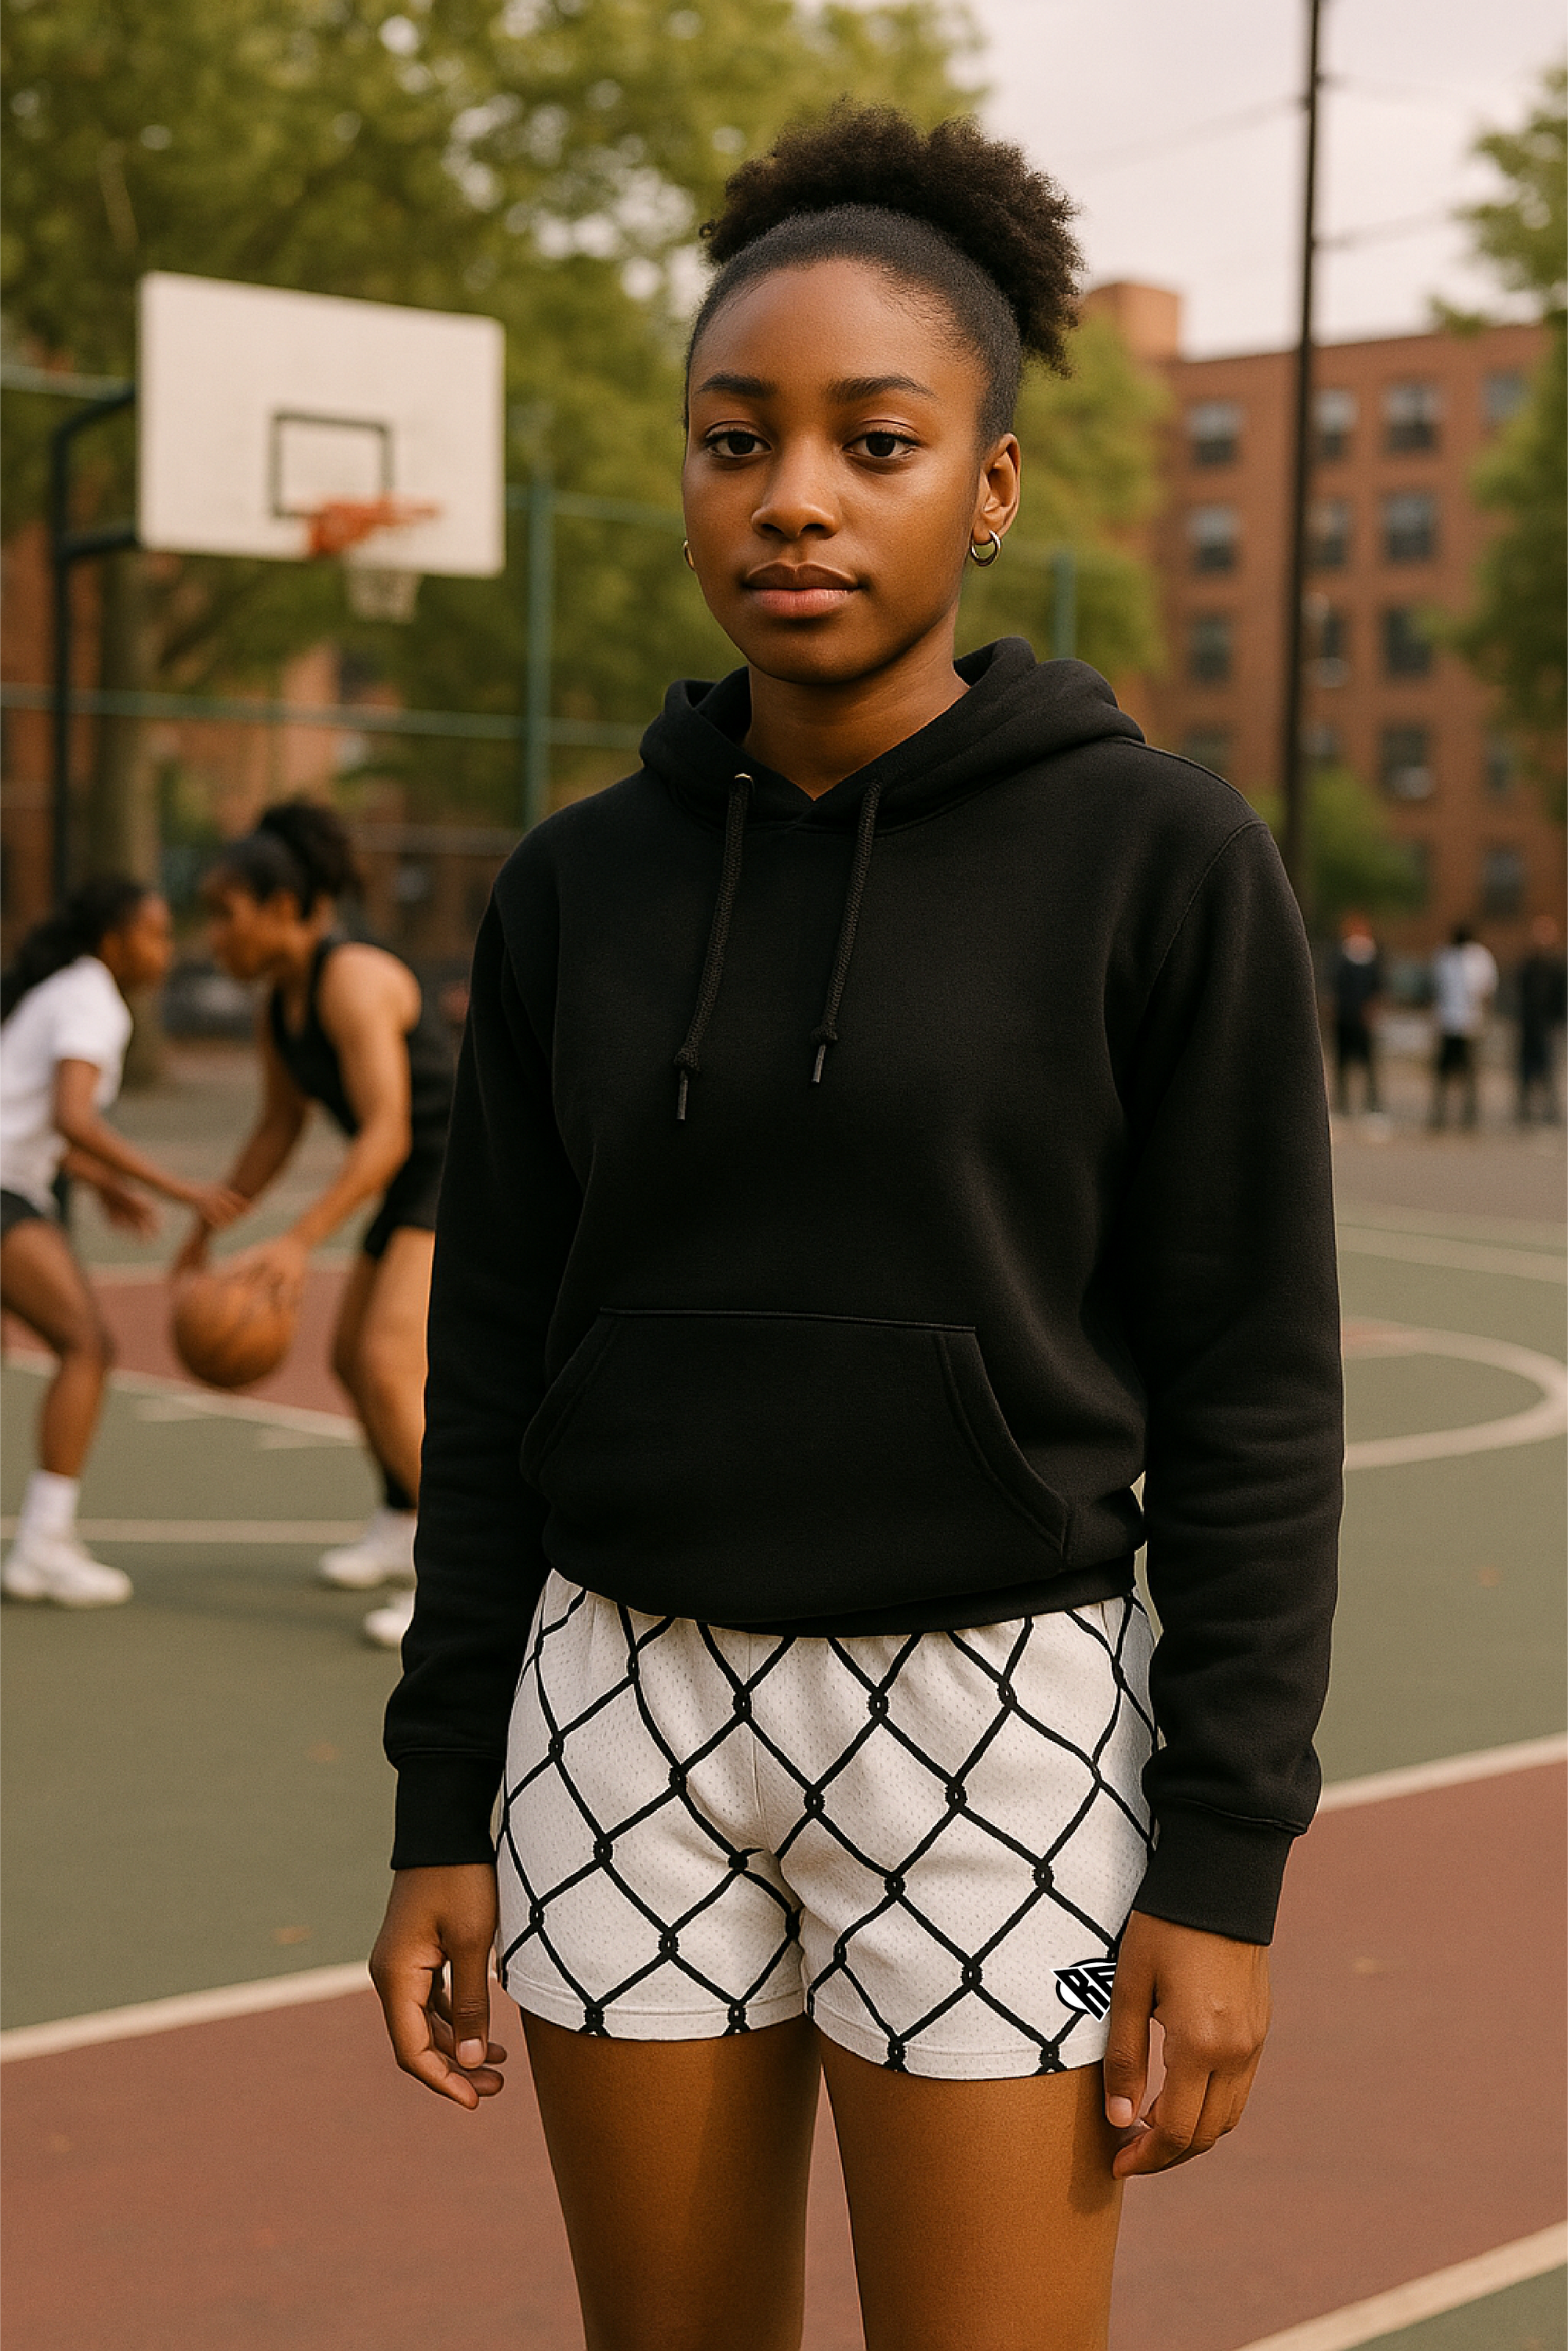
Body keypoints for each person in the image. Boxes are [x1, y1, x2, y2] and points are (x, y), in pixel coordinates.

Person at [371, 110, 1342, 2349]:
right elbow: (494, 1366)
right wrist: (445, 1797)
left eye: (871, 439)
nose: (792, 490)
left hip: (998, 1711)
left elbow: (1258, 1396)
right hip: (616, 1699)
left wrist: (1224, 1862)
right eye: (738, 438)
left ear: (988, 484)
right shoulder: (574, 887)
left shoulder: (1163, 860)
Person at [191, 803, 455, 1649]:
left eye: (224, 914)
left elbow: (389, 1129)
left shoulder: (353, 977)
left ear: (281, 905)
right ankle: (396, 1519)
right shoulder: (282, 1004)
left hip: (466, 1166)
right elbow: (276, 1128)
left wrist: (298, 1240)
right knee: (349, 1359)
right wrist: (214, 1220)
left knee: (386, 1361)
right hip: (417, 1172)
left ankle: (453, 1585)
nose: (214, 936)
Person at [0, 879, 242, 1606]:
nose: (167, 951)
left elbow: (33, 1115)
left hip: (14, 1179)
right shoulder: (93, 1001)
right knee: (87, 1345)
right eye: (156, 934)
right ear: (114, 941)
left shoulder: (68, 989)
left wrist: (101, 1182)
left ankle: (42, 1543)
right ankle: (43, 1545)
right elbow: (73, 1115)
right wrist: (181, 1188)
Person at [1430, 923, 1498, 1130]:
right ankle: (1439, 1116)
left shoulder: (1480, 957)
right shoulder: (1444, 957)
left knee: (1469, 1073)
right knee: (1444, 1072)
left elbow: (1487, 991)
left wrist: (1482, 1019)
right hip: (1448, 1022)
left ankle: (1469, 1117)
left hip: (1470, 1023)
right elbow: (1438, 989)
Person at [1515, 913, 1567, 1124]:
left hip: (1547, 1025)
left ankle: (1550, 1109)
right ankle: (1525, 1109)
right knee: (1525, 1069)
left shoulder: (1557, 966)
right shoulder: (1527, 965)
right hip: (1529, 1024)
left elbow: (1561, 996)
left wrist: (1557, 1022)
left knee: (1549, 1068)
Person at [1330, 911, 1383, 1116]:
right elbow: (1333, 986)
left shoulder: (1372, 956)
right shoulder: (1342, 956)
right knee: (1342, 1063)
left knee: (1368, 1064)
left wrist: (1373, 1010)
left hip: (1363, 1018)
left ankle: (1371, 1104)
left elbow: (1378, 987)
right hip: (1345, 1016)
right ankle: (1343, 1104)